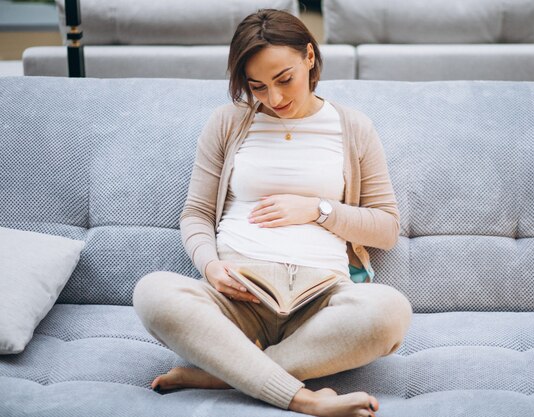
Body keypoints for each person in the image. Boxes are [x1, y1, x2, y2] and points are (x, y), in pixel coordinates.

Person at [132, 8, 412, 417]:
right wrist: (210, 267)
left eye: (285, 80)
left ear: (310, 58)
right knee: (152, 292)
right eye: (257, 86)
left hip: (321, 300)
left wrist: (318, 210)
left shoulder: (353, 127)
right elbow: (195, 214)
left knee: (391, 312)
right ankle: (303, 399)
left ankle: (226, 373)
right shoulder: (228, 123)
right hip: (239, 293)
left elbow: (386, 228)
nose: (275, 99)